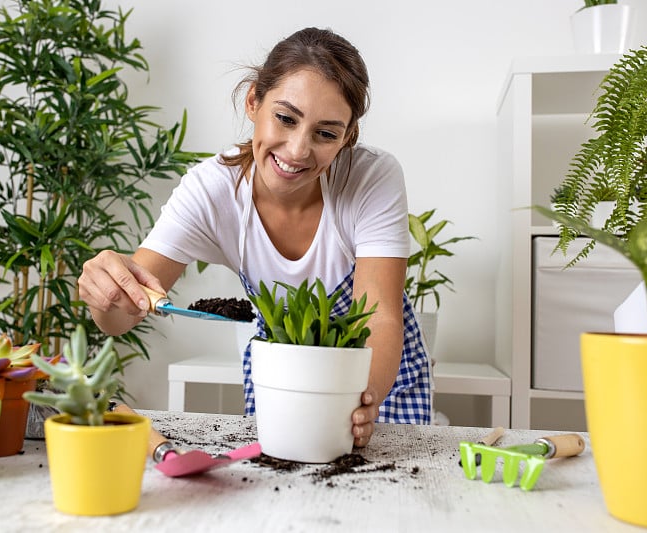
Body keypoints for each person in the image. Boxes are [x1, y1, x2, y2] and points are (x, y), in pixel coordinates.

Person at [78, 27, 432, 447]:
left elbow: (378, 316)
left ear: (348, 137)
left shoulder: (371, 178)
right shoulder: (211, 191)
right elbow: (123, 314)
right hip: (279, 373)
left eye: (326, 133)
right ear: (253, 101)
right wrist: (108, 296)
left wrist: (354, 400)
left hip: (371, 379)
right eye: (285, 118)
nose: (298, 150)